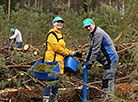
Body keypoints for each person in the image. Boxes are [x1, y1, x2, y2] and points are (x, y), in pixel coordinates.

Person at [43, 16, 82, 102]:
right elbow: (56, 47)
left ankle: (54, 99)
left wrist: (73, 53)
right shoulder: (51, 34)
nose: (59, 23)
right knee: (50, 81)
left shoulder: (60, 35)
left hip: (59, 62)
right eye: (57, 22)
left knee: (57, 81)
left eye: (61, 22)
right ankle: (45, 99)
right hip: (51, 61)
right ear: (54, 23)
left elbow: (63, 48)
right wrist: (66, 53)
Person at [82, 18, 119, 99]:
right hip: (105, 60)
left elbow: (95, 50)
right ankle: (105, 96)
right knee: (105, 78)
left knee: (109, 79)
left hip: (111, 59)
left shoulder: (98, 33)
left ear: (93, 24)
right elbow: (90, 48)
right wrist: (86, 60)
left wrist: (91, 63)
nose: (88, 28)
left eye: (89, 26)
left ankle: (110, 98)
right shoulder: (92, 33)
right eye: (86, 27)